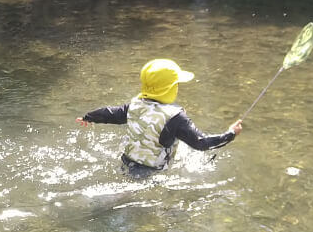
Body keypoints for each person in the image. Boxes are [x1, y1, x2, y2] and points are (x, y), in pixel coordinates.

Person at [77, 59, 243, 174]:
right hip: (153, 174)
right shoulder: (176, 118)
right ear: (170, 88)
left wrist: (88, 117)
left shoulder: (135, 106)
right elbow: (201, 144)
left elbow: (109, 114)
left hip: (126, 162)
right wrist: (230, 134)